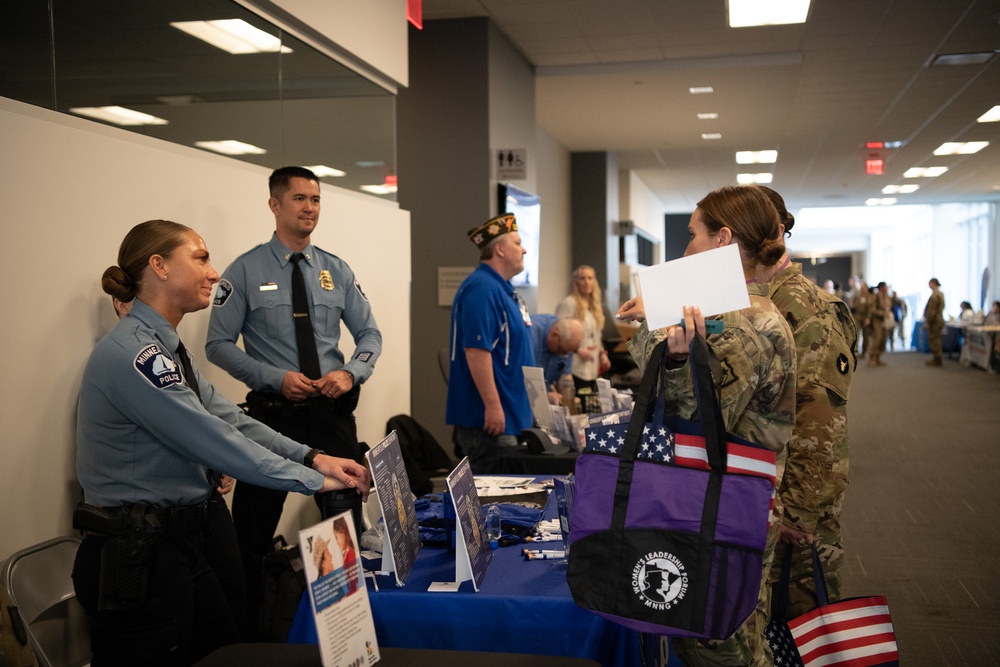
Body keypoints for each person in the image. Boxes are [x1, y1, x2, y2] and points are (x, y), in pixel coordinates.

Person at [73, 219, 370, 666]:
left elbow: (230, 417)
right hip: (141, 555)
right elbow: (214, 439)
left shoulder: (167, 347)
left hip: (183, 542)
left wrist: (314, 456)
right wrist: (311, 480)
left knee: (226, 648)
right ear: (160, 267)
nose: (214, 273)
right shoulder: (136, 355)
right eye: (201, 258)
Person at [618, 184, 796, 667]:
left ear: (722, 239)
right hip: (739, 502)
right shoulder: (748, 314)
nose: (685, 248)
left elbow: (697, 417)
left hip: (724, 508)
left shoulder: (743, 325)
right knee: (741, 631)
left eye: (692, 234)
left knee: (717, 645)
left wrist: (658, 340)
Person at [206, 166, 381, 635]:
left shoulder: (336, 269)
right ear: (275, 205)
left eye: (316, 200)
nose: (309, 208)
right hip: (272, 423)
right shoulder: (243, 271)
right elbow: (217, 345)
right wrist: (273, 377)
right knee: (251, 535)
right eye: (300, 198)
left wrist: (350, 372)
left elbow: (369, 335)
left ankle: (348, 635)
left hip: (332, 420)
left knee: (344, 532)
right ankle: (249, 637)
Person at [760, 186, 857, 620]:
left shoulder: (803, 308)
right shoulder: (759, 301)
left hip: (798, 508)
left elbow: (819, 423)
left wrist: (795, 515)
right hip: (770, 498)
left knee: (800, 628)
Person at [446, 213, 534, 474]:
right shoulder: (483, 289)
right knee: (494, 507)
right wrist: (494, 407)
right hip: (493, 425)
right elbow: (476, 352)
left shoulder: (502, 289)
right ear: (500, 249)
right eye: (517, 243)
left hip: (510, 418)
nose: (524, 249)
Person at [555, 265, 612, 396]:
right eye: (582, 278)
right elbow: (560, 334)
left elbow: (596, 335)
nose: (586, 282)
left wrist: (602, 353)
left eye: (590, 278)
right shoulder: (568, 303)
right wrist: (578, 350)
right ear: (576, 282)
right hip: (575, 367)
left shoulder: (595, 305)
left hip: (592, 368)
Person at [529, 314, 584, 399]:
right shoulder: (531, 334)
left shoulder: (566, 341)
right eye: (562, 351)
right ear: (555, 335)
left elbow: (565, 378)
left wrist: (568, 397)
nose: (563, 355)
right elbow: (520, 377)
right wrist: (544, 396)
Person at [866, 281, 892, 367]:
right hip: (877, 321)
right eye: (885, 287)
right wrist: (882, 313)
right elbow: (872, 310)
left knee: (883, 340)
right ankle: (872, 358)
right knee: (877, 338)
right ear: (881, 288)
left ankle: (878, 357)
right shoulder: (876, 297)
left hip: (886, 321)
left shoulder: (888, 296)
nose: (887, 288)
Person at [333, 517, 359, 595]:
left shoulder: (350, 553)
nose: (336, 542)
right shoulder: (346, 553)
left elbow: (353, 579)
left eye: (336, 537)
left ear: (343, 533)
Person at [924, 278, 945, 366]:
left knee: (934, 340)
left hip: (934, 321)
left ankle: (937, 359)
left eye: (930, 283)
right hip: (938, 320)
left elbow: (931, 311)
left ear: (934, 283)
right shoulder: (941, 294)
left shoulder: (935, 296)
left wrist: (928, 322)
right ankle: (937, 358)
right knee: (936, 339)